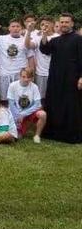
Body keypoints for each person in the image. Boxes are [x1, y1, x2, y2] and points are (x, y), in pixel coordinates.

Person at [39, 13, 82, 143]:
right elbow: (45, 49)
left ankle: (71, 135)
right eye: (62, 22)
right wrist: (44, 34)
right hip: (55, 78)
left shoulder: (78, 39)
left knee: (71, 106)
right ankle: (54, 133)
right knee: (55, 104)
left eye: (66, 22)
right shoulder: (55, 40)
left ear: (72, 24)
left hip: (72, 78)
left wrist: (81, 77)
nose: (64, 24)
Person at [0, 19, 33, 102]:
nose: (15, 28)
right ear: (9, 28)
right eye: (13, 26)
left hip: (20, 75)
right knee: (5, 100)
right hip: (4, 75)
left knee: (20, 100)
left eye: (18, 26)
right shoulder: (1, 39)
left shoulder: (25, 41)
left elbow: (30, 58)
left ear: (21, 28)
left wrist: (31, 75)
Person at [7, 68, 45, 143]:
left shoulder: (34, 87)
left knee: (43, 114)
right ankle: (20, 129)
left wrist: (24, 114)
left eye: (28, 77)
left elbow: (38, 104)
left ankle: (37, 136)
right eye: (23, 77)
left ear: (32, 78)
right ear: (20, 76)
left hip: (29, 113)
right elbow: (11, 104)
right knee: (17, 137)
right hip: (16, 114)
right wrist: (18, 115)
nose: (26, 79)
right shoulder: (12, 85)